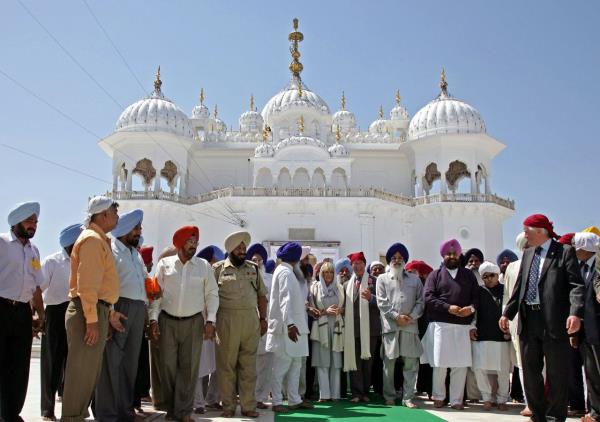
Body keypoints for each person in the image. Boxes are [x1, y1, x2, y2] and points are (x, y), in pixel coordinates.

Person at [501, 214, 585, 422]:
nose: (524, 235)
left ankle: (556, 416)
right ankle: (538, 416)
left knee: (557, 374)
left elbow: (576, 286)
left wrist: (575, 313)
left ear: (540, 231)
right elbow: (520, 287)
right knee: (530, 373)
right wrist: (506, 313)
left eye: (527, 230)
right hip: (529, 321)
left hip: (554, 322)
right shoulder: (528, 254)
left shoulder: (564, 252)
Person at [148, 226, 219, 421]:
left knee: (189, 369)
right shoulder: (164, 264)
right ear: (179, 243)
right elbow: (156, 295)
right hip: (167, 321)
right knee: (168, 367)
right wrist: (153, 319)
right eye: (190, 242)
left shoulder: (204, 266)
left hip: (194, 322)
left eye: (195, 242)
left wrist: (210, 320)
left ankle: (184, 412)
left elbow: (212, 294)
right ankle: (171, 409)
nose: (193, 246)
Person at [61, 196, 121, 421]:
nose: (117, 216)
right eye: (114, 212)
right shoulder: (93, 240)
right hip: (89, 311)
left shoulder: (98, 239)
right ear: (103, 214)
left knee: (87, 374)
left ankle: (75, 416)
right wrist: (93, 321)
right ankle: (71, 418)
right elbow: (87, 286)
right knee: (81, 375)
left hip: (95, 310)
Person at [95, 209, 148, 422]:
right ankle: (107, 414)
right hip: (118, 308)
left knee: (129, 364)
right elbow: (104, 284)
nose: (139, 231)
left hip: (136, 308)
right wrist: (110, 312)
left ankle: (124, 412)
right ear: (125, 230)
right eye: (136, 228)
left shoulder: (135, 253)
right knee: (111, 363)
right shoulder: (111, 250)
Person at [213, 231, 268, 418]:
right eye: (239, 248)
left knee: (248, 366)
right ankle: (228, 406)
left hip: (250, 321)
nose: (243, 251)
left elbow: (262, 296)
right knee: (226, 366)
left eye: (244, 248)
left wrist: (263, 319)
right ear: (230, 249)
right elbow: (210, 297)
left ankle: (248, 406)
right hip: (226, 320)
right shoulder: (218, 269)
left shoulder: (253, 269)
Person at [422, 238, 479, 410]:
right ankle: (439, 396)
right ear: (443, 255)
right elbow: (428, 297)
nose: (452, 256)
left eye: (455, 253)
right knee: (440, 363)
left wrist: (471, 308)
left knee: (460, 364)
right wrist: (448, 308)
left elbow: (476, 296)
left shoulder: (468, 275)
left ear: (460, 254)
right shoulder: (435, 275)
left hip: (463, 325)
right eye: (449, 253)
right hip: (441, 324)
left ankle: (456, 400)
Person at [0, 202, 45, 422]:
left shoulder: (34, 251)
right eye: (29, 221)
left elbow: (36, 285)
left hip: (22, 314)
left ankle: (11, 414)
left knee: (19, 366)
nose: (33, 226)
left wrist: (41, 314)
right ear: (16, 222)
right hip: (1, 307)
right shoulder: (1, 243)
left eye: (35, 222)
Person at [40, 223, 82, 421]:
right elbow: (37, 288)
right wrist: (37, 315)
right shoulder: (52, 262)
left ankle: (71, 406)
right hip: (56, 313)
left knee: (74, 362)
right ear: (71, 243)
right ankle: (47, 409)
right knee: (52, 361)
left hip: (78, 312)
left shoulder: (84, 263)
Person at [266, 242, 313, 413]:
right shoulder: (285, 272)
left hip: (296, 327)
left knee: (296, 364)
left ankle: (294, 399)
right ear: (295, 258)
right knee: (282, 365)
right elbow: (285, 299)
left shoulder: (287, 271)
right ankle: (277, 401)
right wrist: (290, 324)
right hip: (289, 328)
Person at [376, 243, 424, 408]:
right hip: (391, 327)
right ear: (389, 261)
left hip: (410, 327)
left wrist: (411, 317)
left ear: (404, 260)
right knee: (389, 364)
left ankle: (407, 398)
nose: (397, 261)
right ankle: (389, 396)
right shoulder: (382, 279)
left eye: (400, 258)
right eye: (394, 258)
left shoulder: (415, 279)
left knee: (410, 364)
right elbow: (381, 302)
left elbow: (421, 302)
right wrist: (396, 317)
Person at [470, 261, 511, 411]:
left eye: (492, 275)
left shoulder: (505, 290)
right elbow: (473, 313)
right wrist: (472, 327)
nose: (489, 279)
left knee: (503, 370)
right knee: (479, 368)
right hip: (482, 336)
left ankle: (502, 399)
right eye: (485, 276)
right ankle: (486, 398)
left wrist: (509, 331)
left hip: (501, 337)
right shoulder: (479, 291)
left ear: (497, 275)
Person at [343, 251, 381, 403]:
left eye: (360, 263)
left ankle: (365, 392)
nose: (357, 266)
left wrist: (371, 298)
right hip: (352, 330)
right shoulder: (346, 284)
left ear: (365, 265)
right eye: (355, 264)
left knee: (367, 363)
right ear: (351, 266)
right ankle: (356, 393)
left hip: (370, 329)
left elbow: (384, 303)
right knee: (355, 361)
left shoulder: (375, 281)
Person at [501, 232, 531, 416]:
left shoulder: (547, 264)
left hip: (543, 321)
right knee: (523, 363)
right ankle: (531, 402)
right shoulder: (512, 268)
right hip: (518, 320)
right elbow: (507, 297)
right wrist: (505, 317)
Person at [572, 232, 600, 422]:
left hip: (597, 329)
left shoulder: (598, 268)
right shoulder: (578, 269)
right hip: (585, 332)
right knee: (591, 374)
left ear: (584, 249)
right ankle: (595, 411)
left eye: (576, 247)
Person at [309, 261, 345, 402]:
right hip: (321, 326)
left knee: (336, 361)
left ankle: (335, 394)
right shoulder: (315, 287)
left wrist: (340, 310)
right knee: (322, 360)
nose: (329, 275)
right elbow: (311, 310)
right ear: (321, 274)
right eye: (325, 272)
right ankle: (324, 395)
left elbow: (345, 307)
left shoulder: (340, 287)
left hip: (336, 326)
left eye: (331, 272)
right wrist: (325, 311)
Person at [247, 243, 274, 410]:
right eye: (253, 259)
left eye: (259, 259)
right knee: (250, 363)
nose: (256, 262)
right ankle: (248, 396)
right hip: (249, 323)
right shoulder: (245, 277)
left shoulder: (270, 279)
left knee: (265, 362)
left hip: (267, 324)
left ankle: (261, 397)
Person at [405, 260, 434, 399]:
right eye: (408, 272)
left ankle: (427, 387)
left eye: (413, 272)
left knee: (426, 358)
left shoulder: (426, 285)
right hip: (409, 324)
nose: (410, 275)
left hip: (424, 325)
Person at [133, 245, 154, 412]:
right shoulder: (137, 272)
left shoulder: (146, 276)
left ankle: (139, 398)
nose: (151, 265)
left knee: (141, 362)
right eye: (149, 262)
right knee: (135, 363)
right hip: (133, 319)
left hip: (142, 321)